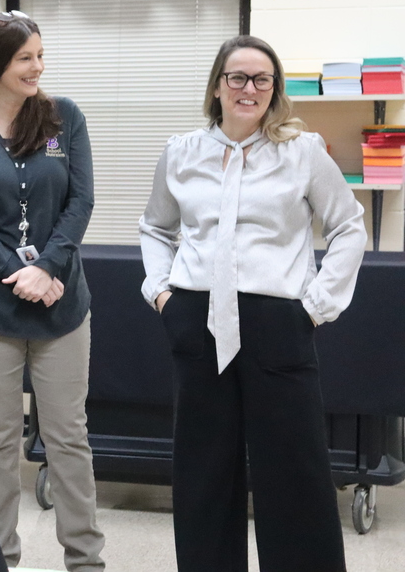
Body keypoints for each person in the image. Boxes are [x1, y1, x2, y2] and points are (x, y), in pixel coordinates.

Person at [139, 35, 366, 572]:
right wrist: (161, 292)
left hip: (278, 324)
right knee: (203, 473)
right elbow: (154, 226)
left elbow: (348, 226)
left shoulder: (302, 152)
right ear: (218, 86)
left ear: (274, 89)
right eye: (237, 77)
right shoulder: (181, 153)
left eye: (262, 79)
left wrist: (314, 306)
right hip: (196, 321)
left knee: (295, 474)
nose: (249, 88)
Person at [0, 11, 105, 571]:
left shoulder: (62, 118)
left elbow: (80, 201)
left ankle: (85, 560)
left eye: (39, 55)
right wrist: (18, 272)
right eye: (24, 58)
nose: (38, 67)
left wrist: (49, 268)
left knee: (67, 437)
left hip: (61, 303)